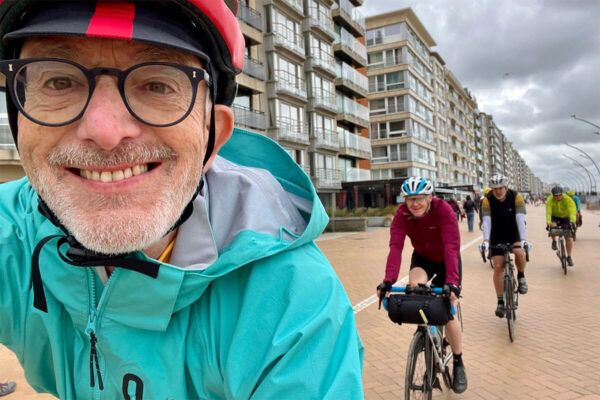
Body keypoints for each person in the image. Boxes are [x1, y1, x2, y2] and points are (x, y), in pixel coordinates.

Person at [0, 1, 364, 398]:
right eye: (58, 81)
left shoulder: (291, 301)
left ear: (213, 136)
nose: (105, 131)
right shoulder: (11, 233)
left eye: (158, 84)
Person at [377, 177, 467, 394]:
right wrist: (388, 281)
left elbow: (451, 247)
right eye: (409, 200)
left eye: (418, 199)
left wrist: (452, 284)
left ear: (429, 197)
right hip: (423, 259)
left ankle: (458, 361)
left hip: (447, 261)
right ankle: (424, 335)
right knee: (415, 288)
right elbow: (396, 247)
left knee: (449, 312)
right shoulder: (402, 214)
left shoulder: (443, 210)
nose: (414, 204)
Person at [478, 174, 530, 318]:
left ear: (506, 187)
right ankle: (500, 302)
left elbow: (520, 219)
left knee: (519, 253)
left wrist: (524, 239)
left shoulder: (516, 197)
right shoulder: (487, 200)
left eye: (501, 188)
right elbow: (487, 222)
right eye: (495, 189)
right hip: (497, 234)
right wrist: (486, 241)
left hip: (514, 232)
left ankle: (521, 276)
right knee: (498, 266)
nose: (498, 191)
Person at [546, 186, 577, 266]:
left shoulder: (567, 199)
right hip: (555, 216)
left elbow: (572, 209)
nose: (558, 197)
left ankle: (569, 257)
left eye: (559, 195)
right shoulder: (549, 200)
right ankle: (554, 241)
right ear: (552, 195)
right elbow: (548, 212)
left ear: (562, 194)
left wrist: (572, 221)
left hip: (565, 217)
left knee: (568, 238)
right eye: (555, 195)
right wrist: (548, 222)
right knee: (552, 227)